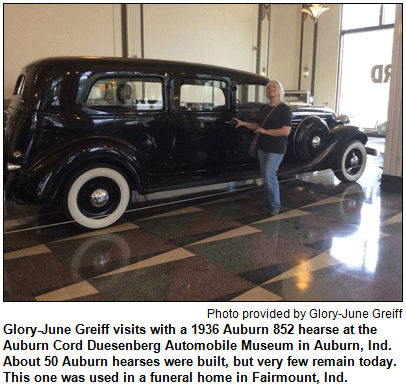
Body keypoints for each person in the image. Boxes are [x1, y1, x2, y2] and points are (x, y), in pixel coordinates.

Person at [234, 80, 292, 216]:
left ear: (279, 91)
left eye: (273, 87)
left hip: (276, 148)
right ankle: (267, 203)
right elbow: (258, 125)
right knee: (266, 177)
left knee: (269, 174)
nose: (270, 89)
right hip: (262, 146)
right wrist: (245, 124)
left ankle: (275, 205)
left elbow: (285, 131)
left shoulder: (285, 109)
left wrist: (265, 131)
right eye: (268, 87)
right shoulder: (264, 108)